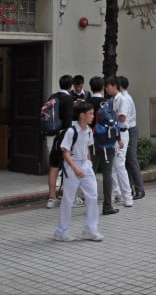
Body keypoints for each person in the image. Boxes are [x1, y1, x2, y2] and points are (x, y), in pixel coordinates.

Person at [53, 102, 102, 242]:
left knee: (93, 195)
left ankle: (90, 229)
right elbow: (65, 153)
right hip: (72, 165)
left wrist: (88, 165)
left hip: (85, 165)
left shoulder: (88, 130)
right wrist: (75, 169)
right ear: (82, 115)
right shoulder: (71, 131)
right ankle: (61, 231)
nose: (93, 116)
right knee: (68, 199)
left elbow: (87, 149)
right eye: (90, 114)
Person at [86, 75, 118, 216]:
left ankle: (90, 204)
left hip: (90, 141)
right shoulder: (106, 103)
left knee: (90, 172)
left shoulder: (86, 103)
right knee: (107, 173)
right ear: (102, 87)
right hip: (106, 142)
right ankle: (107, 205)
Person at [46, 74, 76, 209]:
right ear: (71, 86)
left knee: (53, 166)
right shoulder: (68, 98)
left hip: (51, 135)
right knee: (68, 166)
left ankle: (52, 198)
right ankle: (70, 197)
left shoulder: (52, 97)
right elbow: (68, 121)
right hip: (63, 135)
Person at [103, 75, 133, 207]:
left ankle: (128, 195)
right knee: (113, 165)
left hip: (122, 134)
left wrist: (110, 116)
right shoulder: (112, 100)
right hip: (114, 134)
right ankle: (117, 192)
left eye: (108, 86)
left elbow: (121, 118)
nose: (106, 89)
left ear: (114, 86)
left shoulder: (122, 100)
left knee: (120, 165)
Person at [117, 75, 145, 199]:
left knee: (131, 160)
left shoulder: (124, 99)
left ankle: (139, 189)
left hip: (129, 130)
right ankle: (129, 189)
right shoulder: (124, 97)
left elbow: (124, 117)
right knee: (127, 161)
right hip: (129, 129)